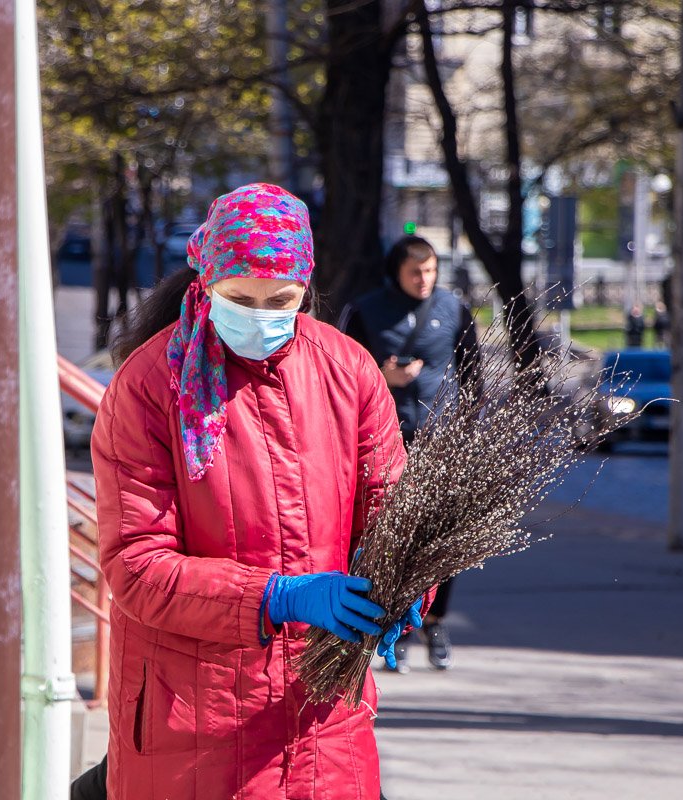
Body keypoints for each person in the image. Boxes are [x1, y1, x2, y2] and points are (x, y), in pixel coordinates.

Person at [90, 183, 427, 799]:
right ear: (206, 281)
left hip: (322, 719)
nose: (261, 315)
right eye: (239, 298)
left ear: (307, 288)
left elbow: (394, 513)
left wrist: (407, 584)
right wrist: (275, 596)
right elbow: (136, 567)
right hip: (193, 720)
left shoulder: (349, 371)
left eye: (282, 299)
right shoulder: (147, 387)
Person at [338, 235, 478, 674]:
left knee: (443, 538)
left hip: (442, 442)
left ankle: (435, 620)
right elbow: (341, 375)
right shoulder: (365, 311)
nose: (425, 279)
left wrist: (467, 432)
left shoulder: (453, 310)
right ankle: (394, 623)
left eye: (432, 271)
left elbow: (474, 375)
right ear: (396, 272)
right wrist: (382, 377)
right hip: (384, 442)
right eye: (416, 271)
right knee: (385, 536)